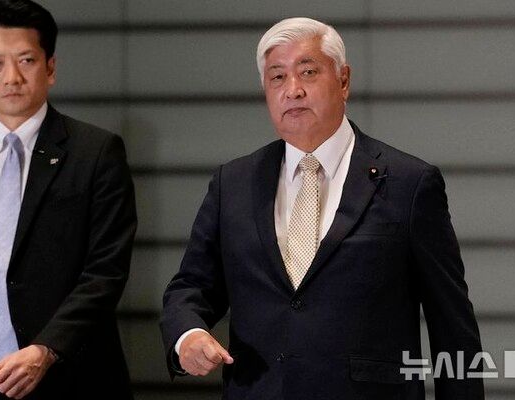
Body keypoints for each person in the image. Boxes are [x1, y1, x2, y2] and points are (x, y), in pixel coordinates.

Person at [161, 17, 484, 399]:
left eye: (308, 72)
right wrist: (187, 334)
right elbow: (191, 287)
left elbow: (452, 326)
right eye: (277, 77)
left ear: (343, 81)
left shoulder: (409, 183)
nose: (292, 90)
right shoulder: (233, 183)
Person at [0, 0, 137, 399]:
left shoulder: (96, 152)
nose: (11, 77)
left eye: (26, 61)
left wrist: (47, 348)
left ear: (50, 67)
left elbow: (106, 271)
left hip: (66, 371)